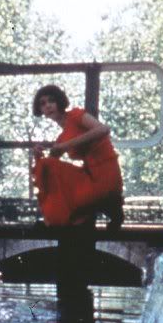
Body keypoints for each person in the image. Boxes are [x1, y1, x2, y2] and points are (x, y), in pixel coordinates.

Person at [31, 85, 124, 228]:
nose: (48, 106)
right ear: (41, 110)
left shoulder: (75, 115)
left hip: (106, 174)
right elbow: (50, 165)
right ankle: (58, 217)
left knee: (76, 212)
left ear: (59, 102)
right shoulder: (62, 138)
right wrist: (38, 155)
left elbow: (103, 129)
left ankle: (107, 204)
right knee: (47, 166)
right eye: (42, 103)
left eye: (51, 101)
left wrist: (65, 146)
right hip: (90, 176)